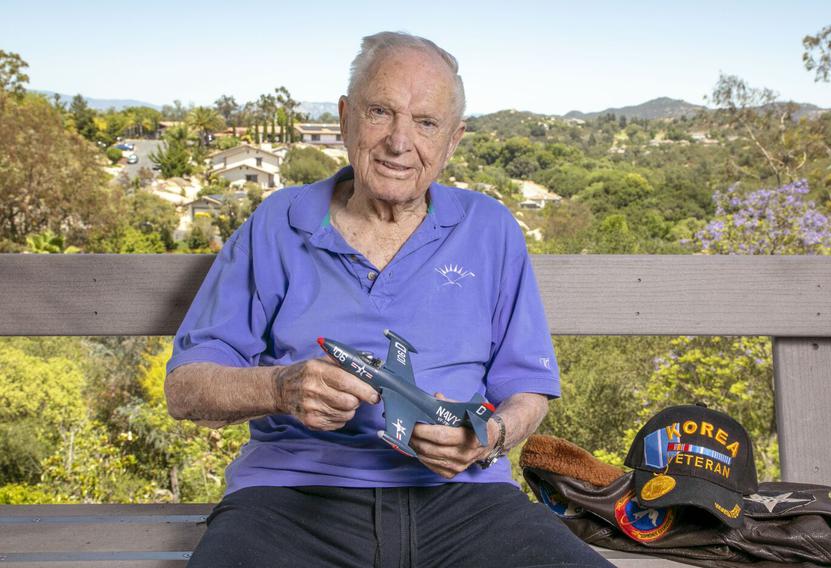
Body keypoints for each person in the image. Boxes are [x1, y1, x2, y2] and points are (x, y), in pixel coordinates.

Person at [165, 31, 613, 568]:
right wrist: (279, 387)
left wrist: (489, 437)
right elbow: (185, 389)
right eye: (381, 112)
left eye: (426, 123)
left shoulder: (491, 229)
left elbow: (527, 390)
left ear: (454, 140)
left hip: (469, 501)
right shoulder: (276, 224)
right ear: (345, 117)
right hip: (289, 500)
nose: (400, 142)